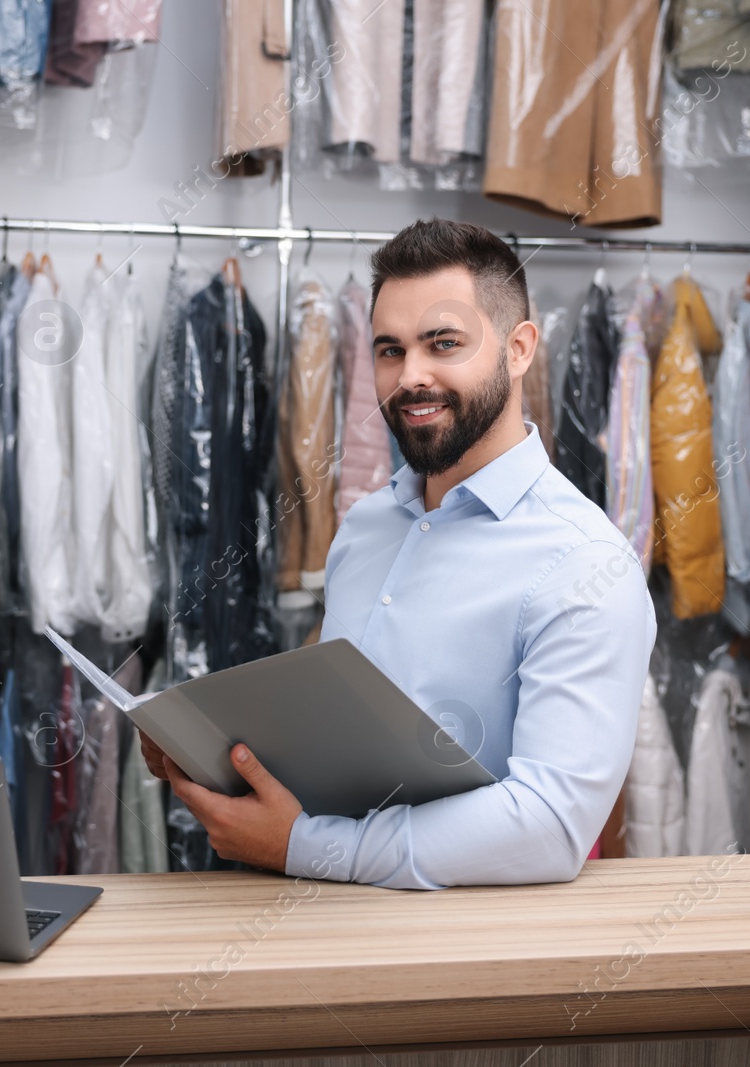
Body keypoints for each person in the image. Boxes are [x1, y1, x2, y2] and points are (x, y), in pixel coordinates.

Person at [143, 218, 656, 889]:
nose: (411, 376)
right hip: (308, 933)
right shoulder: (367, 525)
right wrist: (208, 745)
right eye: (390, 350)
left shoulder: (588, 564)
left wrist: (305, 847)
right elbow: (324, 725)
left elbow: (549, 825)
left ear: (520, 347)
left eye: (443, 343)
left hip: (461, 971)